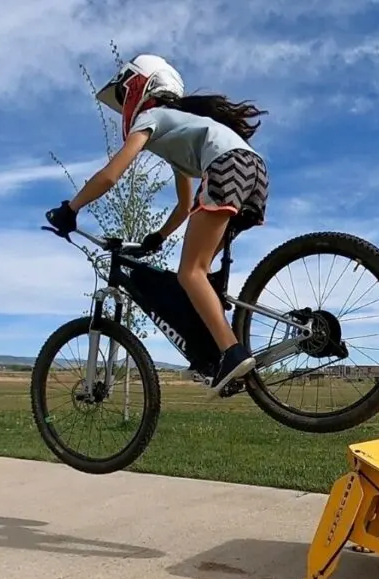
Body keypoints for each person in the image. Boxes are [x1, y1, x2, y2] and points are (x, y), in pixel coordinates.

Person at [44, 54, 270, 396]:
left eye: (124, 95)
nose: (124, 107)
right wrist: (158, 238)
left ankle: (232, 352)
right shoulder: (181, 129)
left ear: (141, 86)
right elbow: (184, 204)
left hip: (226, 168)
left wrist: (70, 209)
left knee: (189, 273)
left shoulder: (151, 117)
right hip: (253, 172)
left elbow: (110, 175)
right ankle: (213, 352)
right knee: (200, 275)